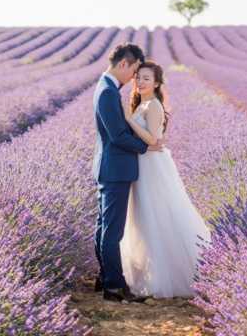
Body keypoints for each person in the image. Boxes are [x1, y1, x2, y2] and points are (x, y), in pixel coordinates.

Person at [120, 60, 212, 298]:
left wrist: (129, 121)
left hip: (152, 167)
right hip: (143, 163)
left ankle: (168, 276)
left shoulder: (153, 106)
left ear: (157, 83)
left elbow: (152, 140)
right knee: (144, 216)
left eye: (146, 78)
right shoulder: (142, 104)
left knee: (157, 214)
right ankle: (148, 272)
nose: (140, 82)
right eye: (138, 77)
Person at [92, 43, 165, 303]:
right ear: (124, 64)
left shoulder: (106, 88)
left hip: (110, 166)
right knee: (113, 232)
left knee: (104, 228)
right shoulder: (108, 93)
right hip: (116, 168)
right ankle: (113, 286)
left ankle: (105, 278)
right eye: (134, 70)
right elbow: (118, 136)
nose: (134, 77)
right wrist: (147, 146)